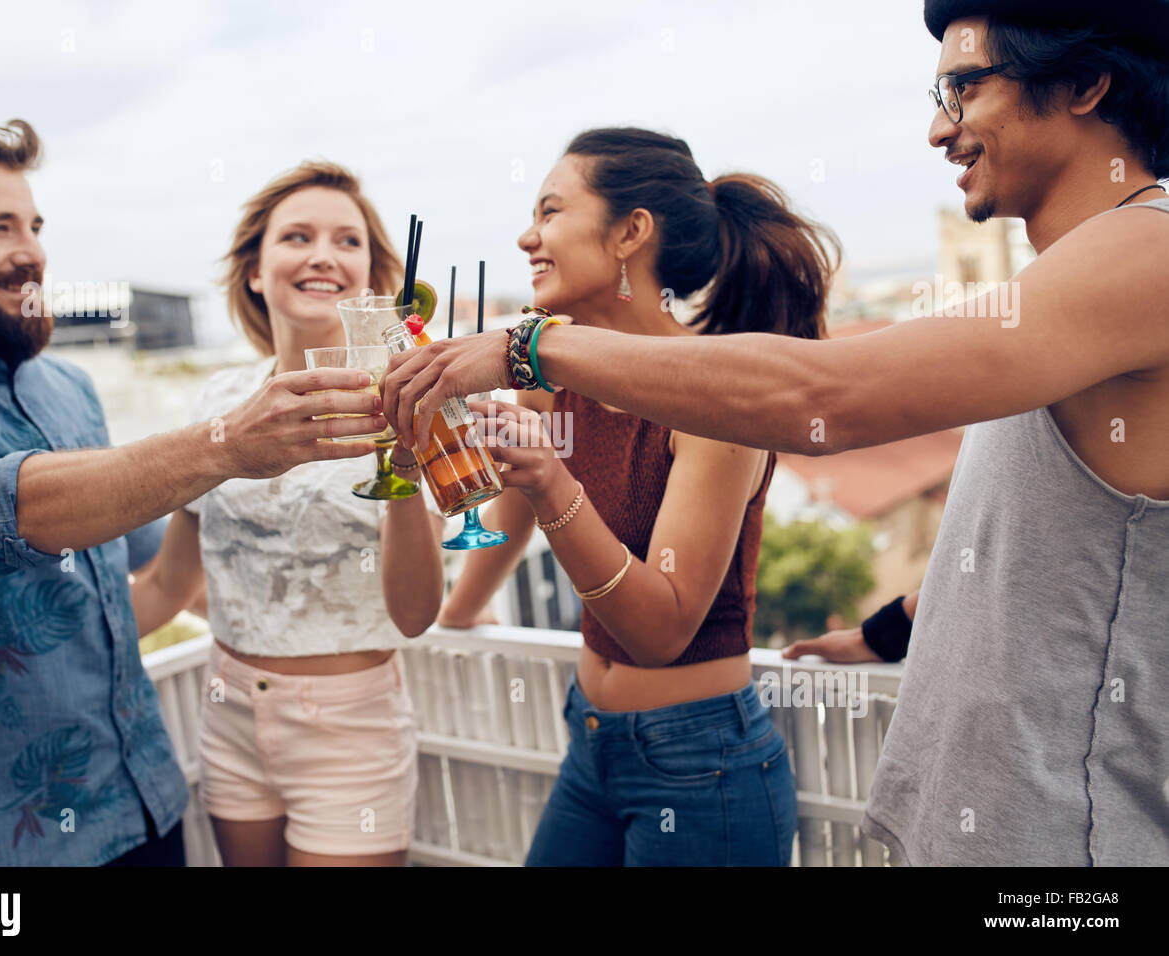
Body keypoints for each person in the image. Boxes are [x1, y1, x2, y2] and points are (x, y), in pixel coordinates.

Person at [383, 2, 1169, 865]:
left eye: (965, 86)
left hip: (1071, 841)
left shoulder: (1148, 255)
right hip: (1006, 817)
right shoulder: (1073, 289)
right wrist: (890, 632)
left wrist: (531, 347)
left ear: (1089, 82)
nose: (941, 127)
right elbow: (1044, 539)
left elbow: (823, 392)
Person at [0, 120, 386, 865]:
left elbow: (151, 561)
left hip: (145, 809)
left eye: (34, 225)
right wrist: (229, 443)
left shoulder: (68, 388)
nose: (32, 252)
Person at [437, 128, 840, 866]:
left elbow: (662, 630)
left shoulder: (718, 400)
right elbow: (519, 506)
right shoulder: (554, 371)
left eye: (551, 211)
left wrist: (550, 476)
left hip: (702, 766)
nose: (529, 236)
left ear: (630, 232)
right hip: (589, 742)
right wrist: (459, 612)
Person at [131, 162, 444, 867]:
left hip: (351, 727)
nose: (323, 255)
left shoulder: (403, 401)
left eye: (347, 241)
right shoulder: (216, 398)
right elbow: (165, 586)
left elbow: (417, 612)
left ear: (372, 278)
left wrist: (407, 461)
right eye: (297, 236)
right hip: (229, 710)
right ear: (254, 270)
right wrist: (47, 640)